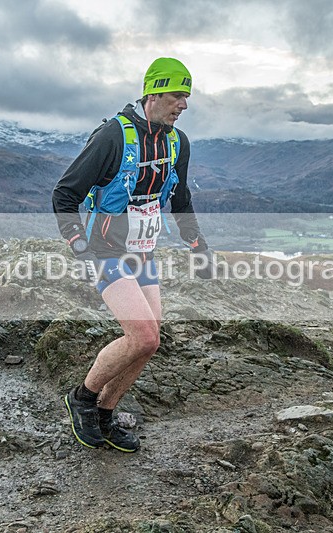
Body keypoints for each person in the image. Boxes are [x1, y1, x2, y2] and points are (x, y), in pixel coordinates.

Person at [52, 57, 213, 452]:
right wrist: (77, 243)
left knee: (151, 340)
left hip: (143, 252)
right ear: (155, 92)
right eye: (178, 95)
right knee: (140, 334)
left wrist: (196, 243)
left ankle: (105, 413)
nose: (184, 105)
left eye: (187, 97)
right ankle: (83, 399)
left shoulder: (177, 142)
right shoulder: (113, 135)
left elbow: (180, 196)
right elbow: (65, 193)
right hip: (105, 250)